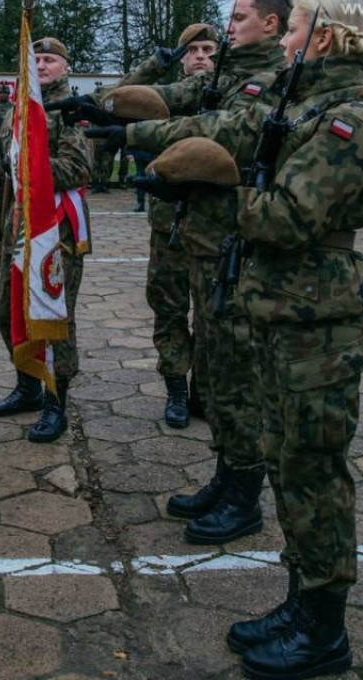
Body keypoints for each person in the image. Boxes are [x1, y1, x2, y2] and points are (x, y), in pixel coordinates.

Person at [119, 0, 363, 680]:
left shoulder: (347, 121)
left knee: (314, 472)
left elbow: (288, 217)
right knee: (290, 462)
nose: (285, 42)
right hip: (285, 308)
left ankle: (323, 630)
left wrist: (213, 189)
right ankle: (301, 606)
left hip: (319, 319)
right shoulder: (305, 103)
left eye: (295, 28)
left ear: (325, 38)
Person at [110, 0, 291, 545]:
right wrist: (112, 104)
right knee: (215, 363)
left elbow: (226, 132)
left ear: (272, 24)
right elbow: (173, 97)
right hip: (207, 240)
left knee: (237, 373)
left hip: (238, 243)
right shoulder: (227, 73)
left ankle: (243, 499)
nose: (229, 26)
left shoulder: (274, 79)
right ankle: (225, 477)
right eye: (230, 16)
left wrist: (132, 134)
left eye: (240, 18)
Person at [0, 37, 93, 443]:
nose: (43, 65)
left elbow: (78, 168)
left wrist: (30, 160)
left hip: (56, 232)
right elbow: (6, 172)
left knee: (51, 318)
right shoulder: (17, 107)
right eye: (38, 59)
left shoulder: (70, 111)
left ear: (66, 68)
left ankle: (55, 403)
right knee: (10, 311)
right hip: (17, 225)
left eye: (51, 60)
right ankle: (27, 387)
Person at [139, 21, 217, 431]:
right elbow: (119, 97)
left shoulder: (234, 98)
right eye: (192, 51)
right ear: (181, 59)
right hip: (168, 223)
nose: (200, 57)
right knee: (169, 308)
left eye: (207, 49)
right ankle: (176, 388)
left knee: (212, 312)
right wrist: (154, 65)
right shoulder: (165, 101)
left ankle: (204, 389)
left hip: (218, 225)